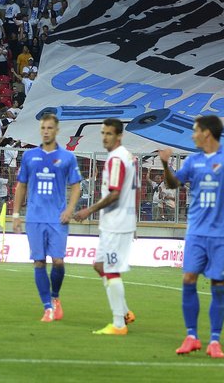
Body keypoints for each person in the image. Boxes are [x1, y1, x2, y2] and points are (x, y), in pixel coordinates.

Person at [158, 115, 224, 359]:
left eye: (195, 131)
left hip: (221, 234)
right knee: (188, 279)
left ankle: (214, 340)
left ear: (207, 133)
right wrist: (165, 165)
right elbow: (172, 184)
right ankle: (191, 336)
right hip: (196, 233)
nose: (192, 135)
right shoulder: (193, 161)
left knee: (218, 286)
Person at [13, 113, 83, 322]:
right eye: (43, 128)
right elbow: (21, 185)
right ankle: (47, 307)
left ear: (57, 130)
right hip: (34, 217)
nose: (46, 131)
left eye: (50, 128)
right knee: (39, 262)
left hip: (57, 218)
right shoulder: (29, 156)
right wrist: (16, 214)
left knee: (59, 262)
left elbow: (76, 185)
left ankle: (55, 297)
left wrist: (70, 209)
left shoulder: (67, 157)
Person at [73, 118, 138, 336]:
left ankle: (119, 324)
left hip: (117, 223)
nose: (105, 137)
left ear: (119, 136)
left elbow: (115, 193)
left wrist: (88, 210)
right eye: (103, 133)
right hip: (114, 222)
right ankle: (126, 311)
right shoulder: (124, 156)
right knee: (100, 266)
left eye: (109, 134)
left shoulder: (117, 159)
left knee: (111, 270)